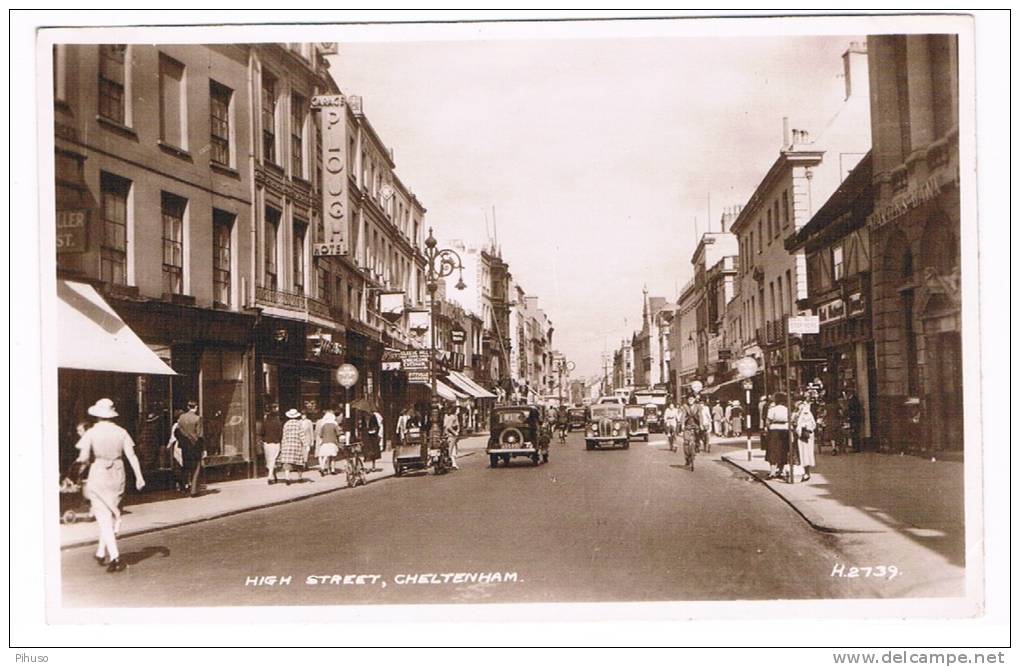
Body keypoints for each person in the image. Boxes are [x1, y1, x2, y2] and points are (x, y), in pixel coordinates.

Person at [74, 399, 145, 573]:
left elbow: (83, 458)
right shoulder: (122, 432)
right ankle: (100, 552)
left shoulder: (91, 433)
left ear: (97, 415)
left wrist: (74, 471)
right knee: (109, 514)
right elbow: (132, 455)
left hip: (98, 473)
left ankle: (115, 557)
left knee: (103, 516)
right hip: (118, 473)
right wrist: (139, 476)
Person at [175, 400, 205, 497]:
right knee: (196, 467)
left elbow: (177, 431)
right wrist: (203, 448)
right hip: (195, 446)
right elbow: (200, 435)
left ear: (188, 407)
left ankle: (183, 487)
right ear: (196, 407)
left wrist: (182, 441)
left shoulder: (181, 418)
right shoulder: (197, 418)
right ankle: (194, 490)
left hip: (185, 446)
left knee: (186, 466)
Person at [279, 408, 309, 485]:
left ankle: (287, 478)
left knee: (287, 463)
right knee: (299, 463)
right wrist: (306, 445)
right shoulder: (299, 424)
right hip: (296, 445)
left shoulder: (286, 424)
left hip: (287, 446)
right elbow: (302, 435)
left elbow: (284, 436)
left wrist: (282, 446)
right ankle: (300, 478)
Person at [764, 393, 791, 480]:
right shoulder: (787, 409)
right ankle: (780, 470)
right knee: (783, 450)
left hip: (774, 430)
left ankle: (772, 472)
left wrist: (768, 428)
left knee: (773, 450)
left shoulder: (772, 409)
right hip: (785, 430)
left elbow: (768, 421)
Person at [794, 397, 817, 482]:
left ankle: (806, 473)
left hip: (805, 436)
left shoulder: (806, 412)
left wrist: (803, 427)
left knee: (805, 454)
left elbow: (812, 424)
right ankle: (803, 472)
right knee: (802, 455)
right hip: (800, 436)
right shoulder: (798, 413)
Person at [260, 405, 283, 484]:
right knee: (273, 459)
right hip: (276, 443)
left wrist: (263, 440)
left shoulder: (265, 423)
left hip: (267, 443)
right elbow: (281, 435)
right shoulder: (279, 423)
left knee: (269, 459)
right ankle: (270, 476)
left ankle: (273, 475)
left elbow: (262, 433)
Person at [315, 409, 342, 476]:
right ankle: (332, 470)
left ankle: (322, 468)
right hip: (333, 442)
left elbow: (320, 435)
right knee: (333, 457)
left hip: (324, 442)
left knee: (324, 456)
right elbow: (338, 434)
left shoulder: (323, 425)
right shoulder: (334, 425)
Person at [678, 394, 702, 470]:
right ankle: (687, 458)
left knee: (698, 438)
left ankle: (697, 448)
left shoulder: (698, 406)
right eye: (689, 399)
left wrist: (701, 424)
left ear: (694, 400)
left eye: (692, 399)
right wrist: (682, 424)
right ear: (687, 400)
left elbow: (700, 415)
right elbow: (683, 415)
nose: (690, 400)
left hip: (696, 425)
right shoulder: (685, 406)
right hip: (687, 425)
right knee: (686, 442)